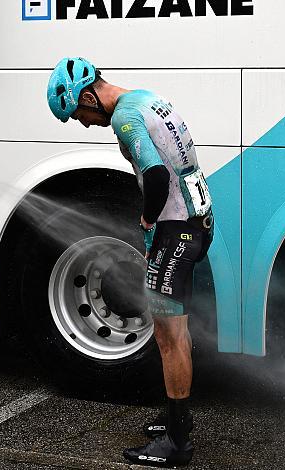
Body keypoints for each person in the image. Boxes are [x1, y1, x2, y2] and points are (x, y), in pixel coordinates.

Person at [47, 57, 214, 467]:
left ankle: (177, 445)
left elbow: (156, 175)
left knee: (167, 336)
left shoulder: (124, 118)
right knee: (176, 331)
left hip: (176, 232)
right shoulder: (145, 98)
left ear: (88, 96)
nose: (84, 123)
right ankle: (180, 419)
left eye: (79, 114)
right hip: (198, 221)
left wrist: (146, 218)